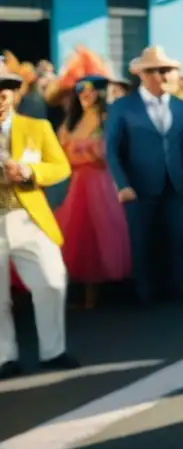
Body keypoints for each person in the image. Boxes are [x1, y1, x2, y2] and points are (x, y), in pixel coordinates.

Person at [0, 66, 76, 379]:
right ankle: (5, 357)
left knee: (53, 279)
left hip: (28, 216)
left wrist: (30, 172)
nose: (0, 97)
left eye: (5, 89)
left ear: (15, 93)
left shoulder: (37, 126)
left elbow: (61, 167)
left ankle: (53, 350)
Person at [105, 46, 183, 302]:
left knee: (177, 237)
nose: (167, 75)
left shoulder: (182, 107)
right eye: (161, 71)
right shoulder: (123, 107)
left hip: (174, 182)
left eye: (169, 70)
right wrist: (122, 184)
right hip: (139, 184)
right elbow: (112, 149)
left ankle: (178, 289)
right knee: (142, 238)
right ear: (144, 75)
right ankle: (145, 292)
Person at [51, 49, 132, 308]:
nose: (86, 94)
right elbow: (59, 157)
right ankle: (78, 290)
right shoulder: (69, 124)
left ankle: (93, 294)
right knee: (75, 233)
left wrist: (82, 154)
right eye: (81, 90)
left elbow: (106, 155)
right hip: (75, 186)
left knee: (99, 232)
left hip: (100, 185)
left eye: (91, 90)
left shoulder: (109, 119)